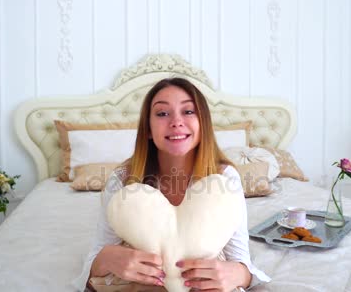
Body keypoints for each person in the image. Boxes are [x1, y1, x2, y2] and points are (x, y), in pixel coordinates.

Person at [73, 77, 270, 291]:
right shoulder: (122, 181)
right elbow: (92, 267)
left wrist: (239, 274)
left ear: (203, 122)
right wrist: (106, 258)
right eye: (162, 113)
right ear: (147, 128)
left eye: (188, 111)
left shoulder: (225, 179)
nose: (176, 122)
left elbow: (241, 262)